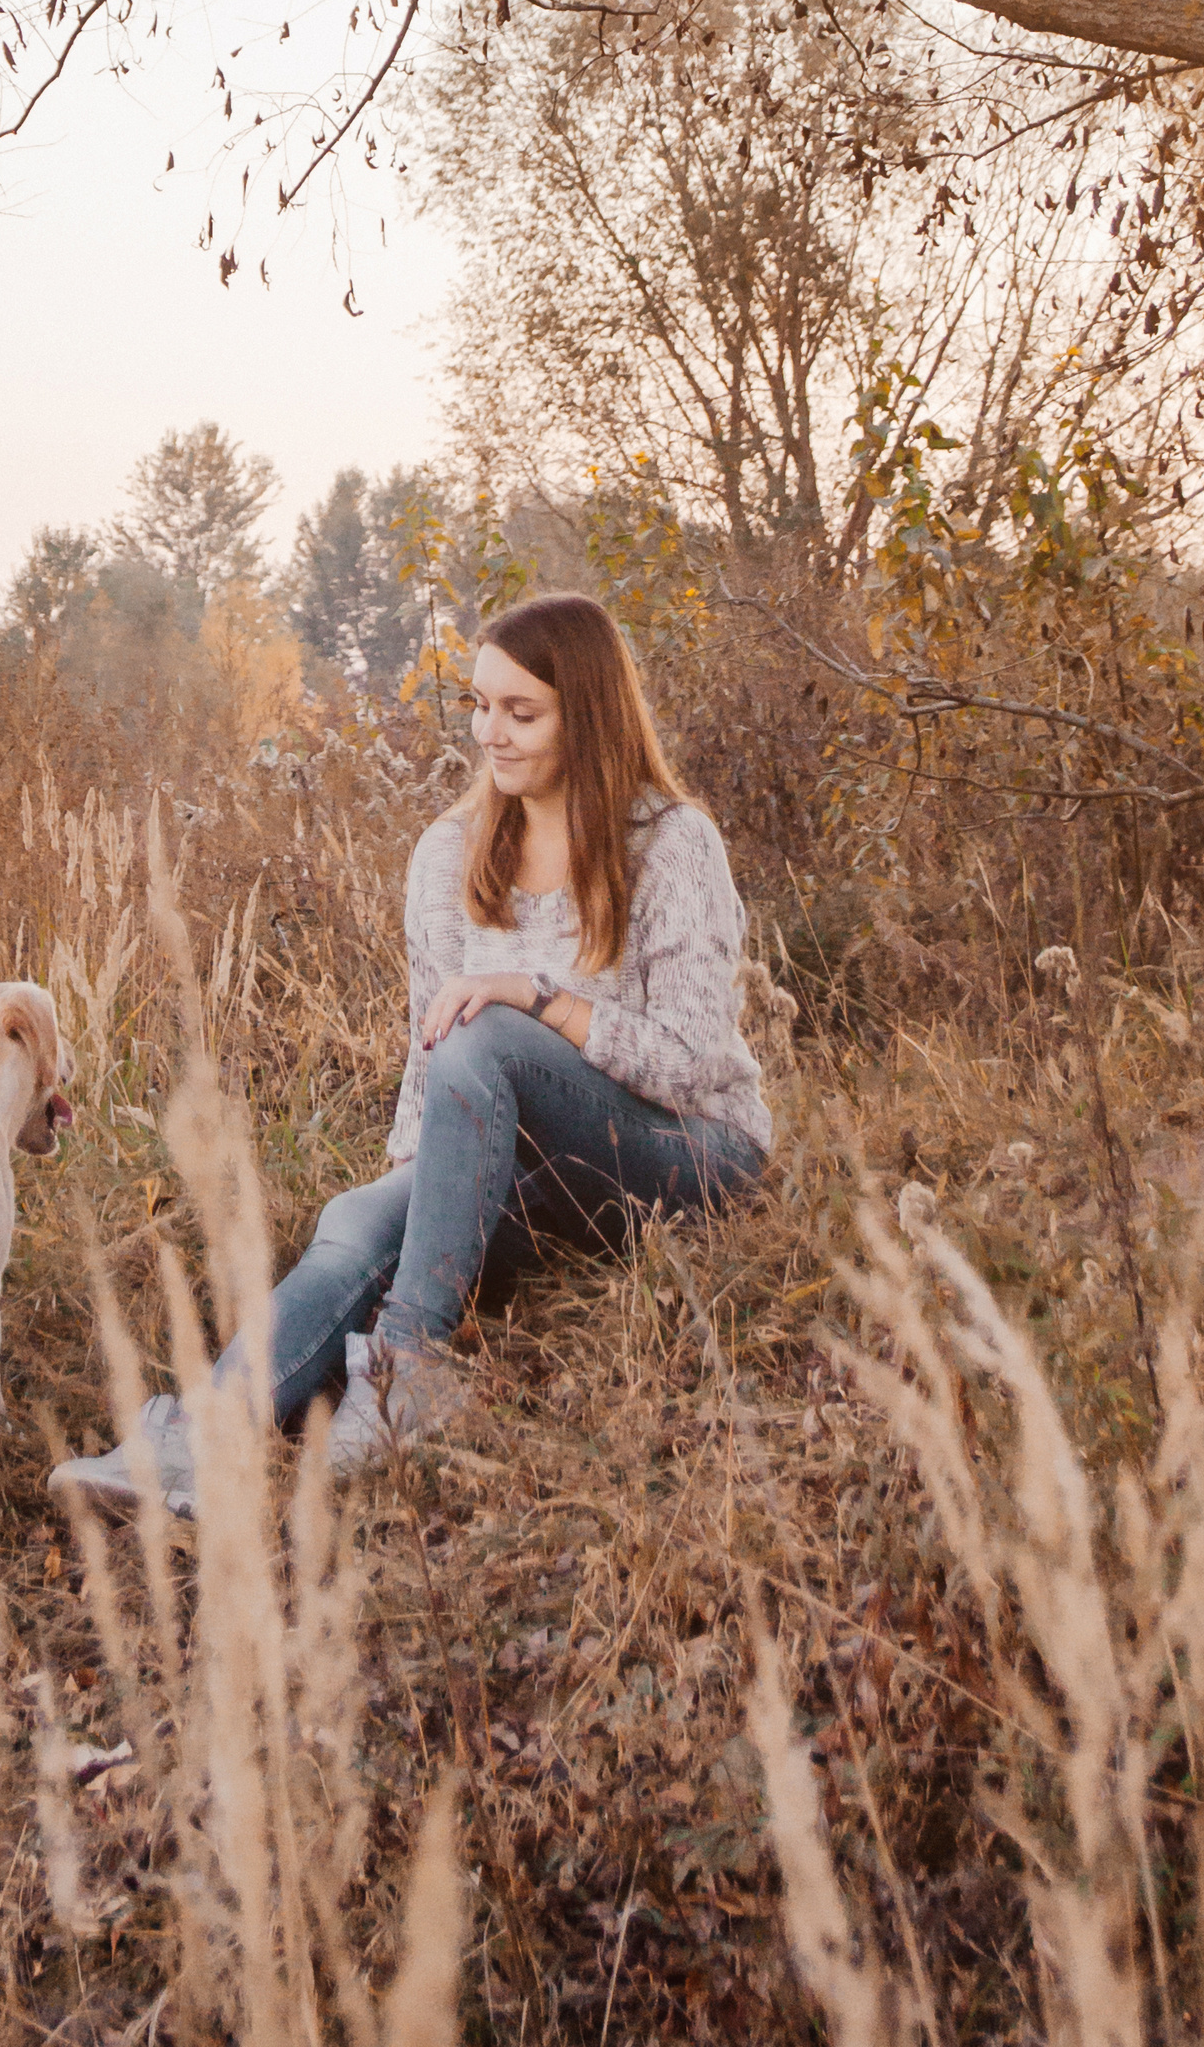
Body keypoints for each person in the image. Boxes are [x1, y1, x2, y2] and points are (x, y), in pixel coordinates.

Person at [51, 592, 771, 1510]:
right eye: (480, 705)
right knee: (361, 1217)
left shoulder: (671, 844)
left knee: (491, 1030)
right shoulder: (448, 855)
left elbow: (692, 1065)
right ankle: (196, 1444)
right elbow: (428, 1057)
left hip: (689, 1156)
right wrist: (411, 1185)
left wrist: (538, 1001)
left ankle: (406, 1373)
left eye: (521, 713)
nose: (489, 734)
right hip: (536, 1177)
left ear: (587, 716)